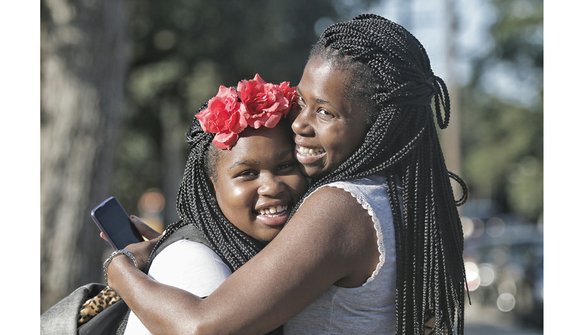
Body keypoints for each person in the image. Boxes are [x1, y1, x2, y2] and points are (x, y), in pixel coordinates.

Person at [105, 14, 468, 335]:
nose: (300, 124)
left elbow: (203, 327)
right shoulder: (401, 197)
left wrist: (120, 271)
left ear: (380, 125)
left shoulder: (342, 207)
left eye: (325, 112)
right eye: (302, 103)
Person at [121, 74, 307, 334]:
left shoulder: (264, 250)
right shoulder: (193, 262)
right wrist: (120, 270)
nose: (272, 186)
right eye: (247, 173)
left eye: (286, 166)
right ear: (211, 186)